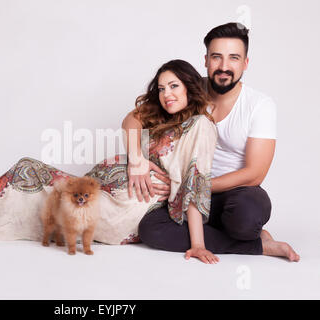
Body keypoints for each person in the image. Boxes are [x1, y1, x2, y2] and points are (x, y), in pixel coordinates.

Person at [0, 59, 220, 263]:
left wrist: (198, 244)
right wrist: (136, 160)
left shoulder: (201, 126)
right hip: (104, 195)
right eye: (161, 88)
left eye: (174, 86)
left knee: (26, 172)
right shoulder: (162, 117)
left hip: (122, 212)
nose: (166, 94)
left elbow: (196, 183)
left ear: (190, 86)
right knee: (31, 202)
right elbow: (131, 119)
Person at [126, 23, 300, 262]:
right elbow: (132, 120)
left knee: (246, 219)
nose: (224, 67)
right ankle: (259, 245)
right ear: (206, 60)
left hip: (231, 193)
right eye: (217, 57)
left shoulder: (260, 105)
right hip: (182, 195)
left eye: (234, 58)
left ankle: (245, 234)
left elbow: (254, 174)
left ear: (245, 63)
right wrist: (136, 161)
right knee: (150, 230)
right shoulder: (188, 90)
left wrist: (189, 186)